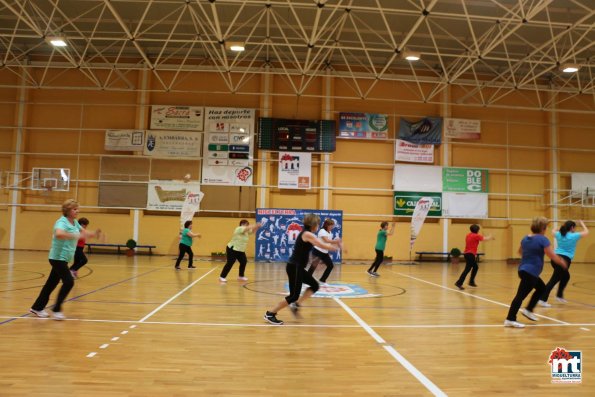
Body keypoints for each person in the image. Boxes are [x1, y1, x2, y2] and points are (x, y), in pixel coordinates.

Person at [29, 199, 100, 320]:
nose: (77, 211)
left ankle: (37, 307)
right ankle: (56, 310)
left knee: (51, 284)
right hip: (57, 258)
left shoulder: (75, 222)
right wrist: (75, 235)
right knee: (69, 282)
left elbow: (83, 232)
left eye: (77, 209)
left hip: (64, 258)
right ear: (67, 210)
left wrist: (93, 233)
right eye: (74, 209)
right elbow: (59, 234)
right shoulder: (61, 222)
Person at [264, 214, 338, 325]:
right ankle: (270, 313)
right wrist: (334, 246)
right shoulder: (307, 234)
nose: (318, 226)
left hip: (298, 267)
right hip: (295, 267)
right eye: (317, 224)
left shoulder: (307, 234)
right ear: (313, 224)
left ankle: (296, 305)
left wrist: (314, 263)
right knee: (293, 296)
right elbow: (320, 244)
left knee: (315, 285)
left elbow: (305, 251)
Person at [504, 217, 567, 328]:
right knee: (520, 296)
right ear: (543, 228)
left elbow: (520, 252)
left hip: (523, 269)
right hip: (531, 272)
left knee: (541, 288)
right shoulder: (543, 239)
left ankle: (528, 310)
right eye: (545, 227)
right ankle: (510, 319)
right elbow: (551, 255)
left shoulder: (525, 238)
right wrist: (562, 262)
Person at [538, 220, 589, 306]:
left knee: (566, 276)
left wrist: (561, 226)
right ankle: (542, 299)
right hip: (563, 260)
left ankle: (559, 296)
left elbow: (553, 231)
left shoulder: (559, 234)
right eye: (574, 227)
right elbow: (586, 232)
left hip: (555, 259)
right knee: (553, 280)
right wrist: (582, 223)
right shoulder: (574, 236)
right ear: (572, 228)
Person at [454, 224, 494, 289]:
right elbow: (485, 239)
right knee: (468, 269)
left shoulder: (468, 235)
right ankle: (459, 283)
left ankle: (471, 282)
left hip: (467, 254)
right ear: (477, 230)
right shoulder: (476, 236)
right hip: (470, 254)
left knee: (475, 267)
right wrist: (490, 236)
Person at [307, 218, 342, 285]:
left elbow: (328, 243)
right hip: (317, 251)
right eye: (331, 226)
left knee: (330, 266)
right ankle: (307, 280)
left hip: (324, 252)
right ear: (327, 225)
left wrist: (336, 246)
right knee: (313, 266)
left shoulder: (330, 232)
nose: (332, 227)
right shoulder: (322, 231)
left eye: (333, 226)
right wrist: (336, 241)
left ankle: (322, 280)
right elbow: (326, 240)